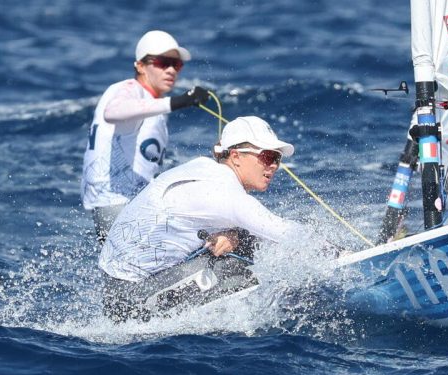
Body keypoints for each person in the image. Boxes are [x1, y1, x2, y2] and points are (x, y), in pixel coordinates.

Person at [98, 116, 310, 320]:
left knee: (239, 247)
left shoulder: (203, 167)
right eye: (267, 157)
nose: (273, 165)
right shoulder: (226, 194)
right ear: (235, 156)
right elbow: (290, 236)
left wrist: (234, 235)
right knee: (238, 269)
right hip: (128, 300)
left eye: (277, 159)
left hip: (112, 284)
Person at [81, 30, 210, 244]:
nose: (171, 70)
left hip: (133, 206)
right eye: (162, 62)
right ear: (140, 65)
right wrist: (178, 102)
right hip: (116, 205)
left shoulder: (151, 103)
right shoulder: (128, 89)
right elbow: (113, 112)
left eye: (176, 64)